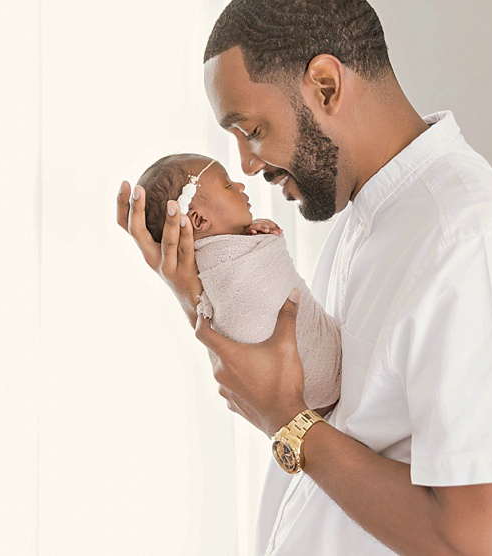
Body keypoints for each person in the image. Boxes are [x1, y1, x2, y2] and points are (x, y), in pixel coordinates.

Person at [117, 0, 492, 554]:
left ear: (325, 86)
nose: (248, 166)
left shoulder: (474, 244)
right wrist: (200, 293)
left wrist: (288, 422)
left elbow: (489, 546)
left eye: (251, 130)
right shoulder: (365, 220)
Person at [135, 152, 341, 411]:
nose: (241, 185)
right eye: (229, 185)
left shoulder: (232, 250)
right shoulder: (217, 268)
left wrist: (257, 237)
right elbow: (232, 315)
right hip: (306, 386)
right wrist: (265, 240)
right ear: (199, 220)